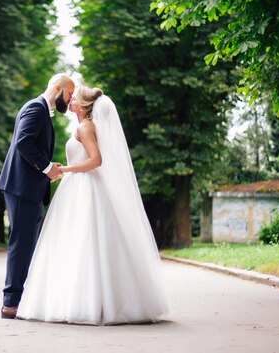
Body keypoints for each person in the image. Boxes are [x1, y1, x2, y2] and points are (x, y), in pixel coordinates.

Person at [16, 85, 169, 325]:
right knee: (76, 241)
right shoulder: (83, 126)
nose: (70, 100)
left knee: (84, 240)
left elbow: (96, 160)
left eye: (74, 98)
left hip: (84, 186)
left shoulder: (86, 126)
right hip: (77, 185)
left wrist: (65, 169)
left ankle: (89, 303)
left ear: (85, 106)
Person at [0, 73, 75, 319]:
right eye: (69, 94)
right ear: (58, 87)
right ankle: (11, 303)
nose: (70, 100)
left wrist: (47, 168)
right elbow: (23, 142)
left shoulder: (40, 109)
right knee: (21, 244)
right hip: (22, 188)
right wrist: (47, 167)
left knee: (27, 244)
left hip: (28, 188)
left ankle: (19, 300)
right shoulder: (35, 108)